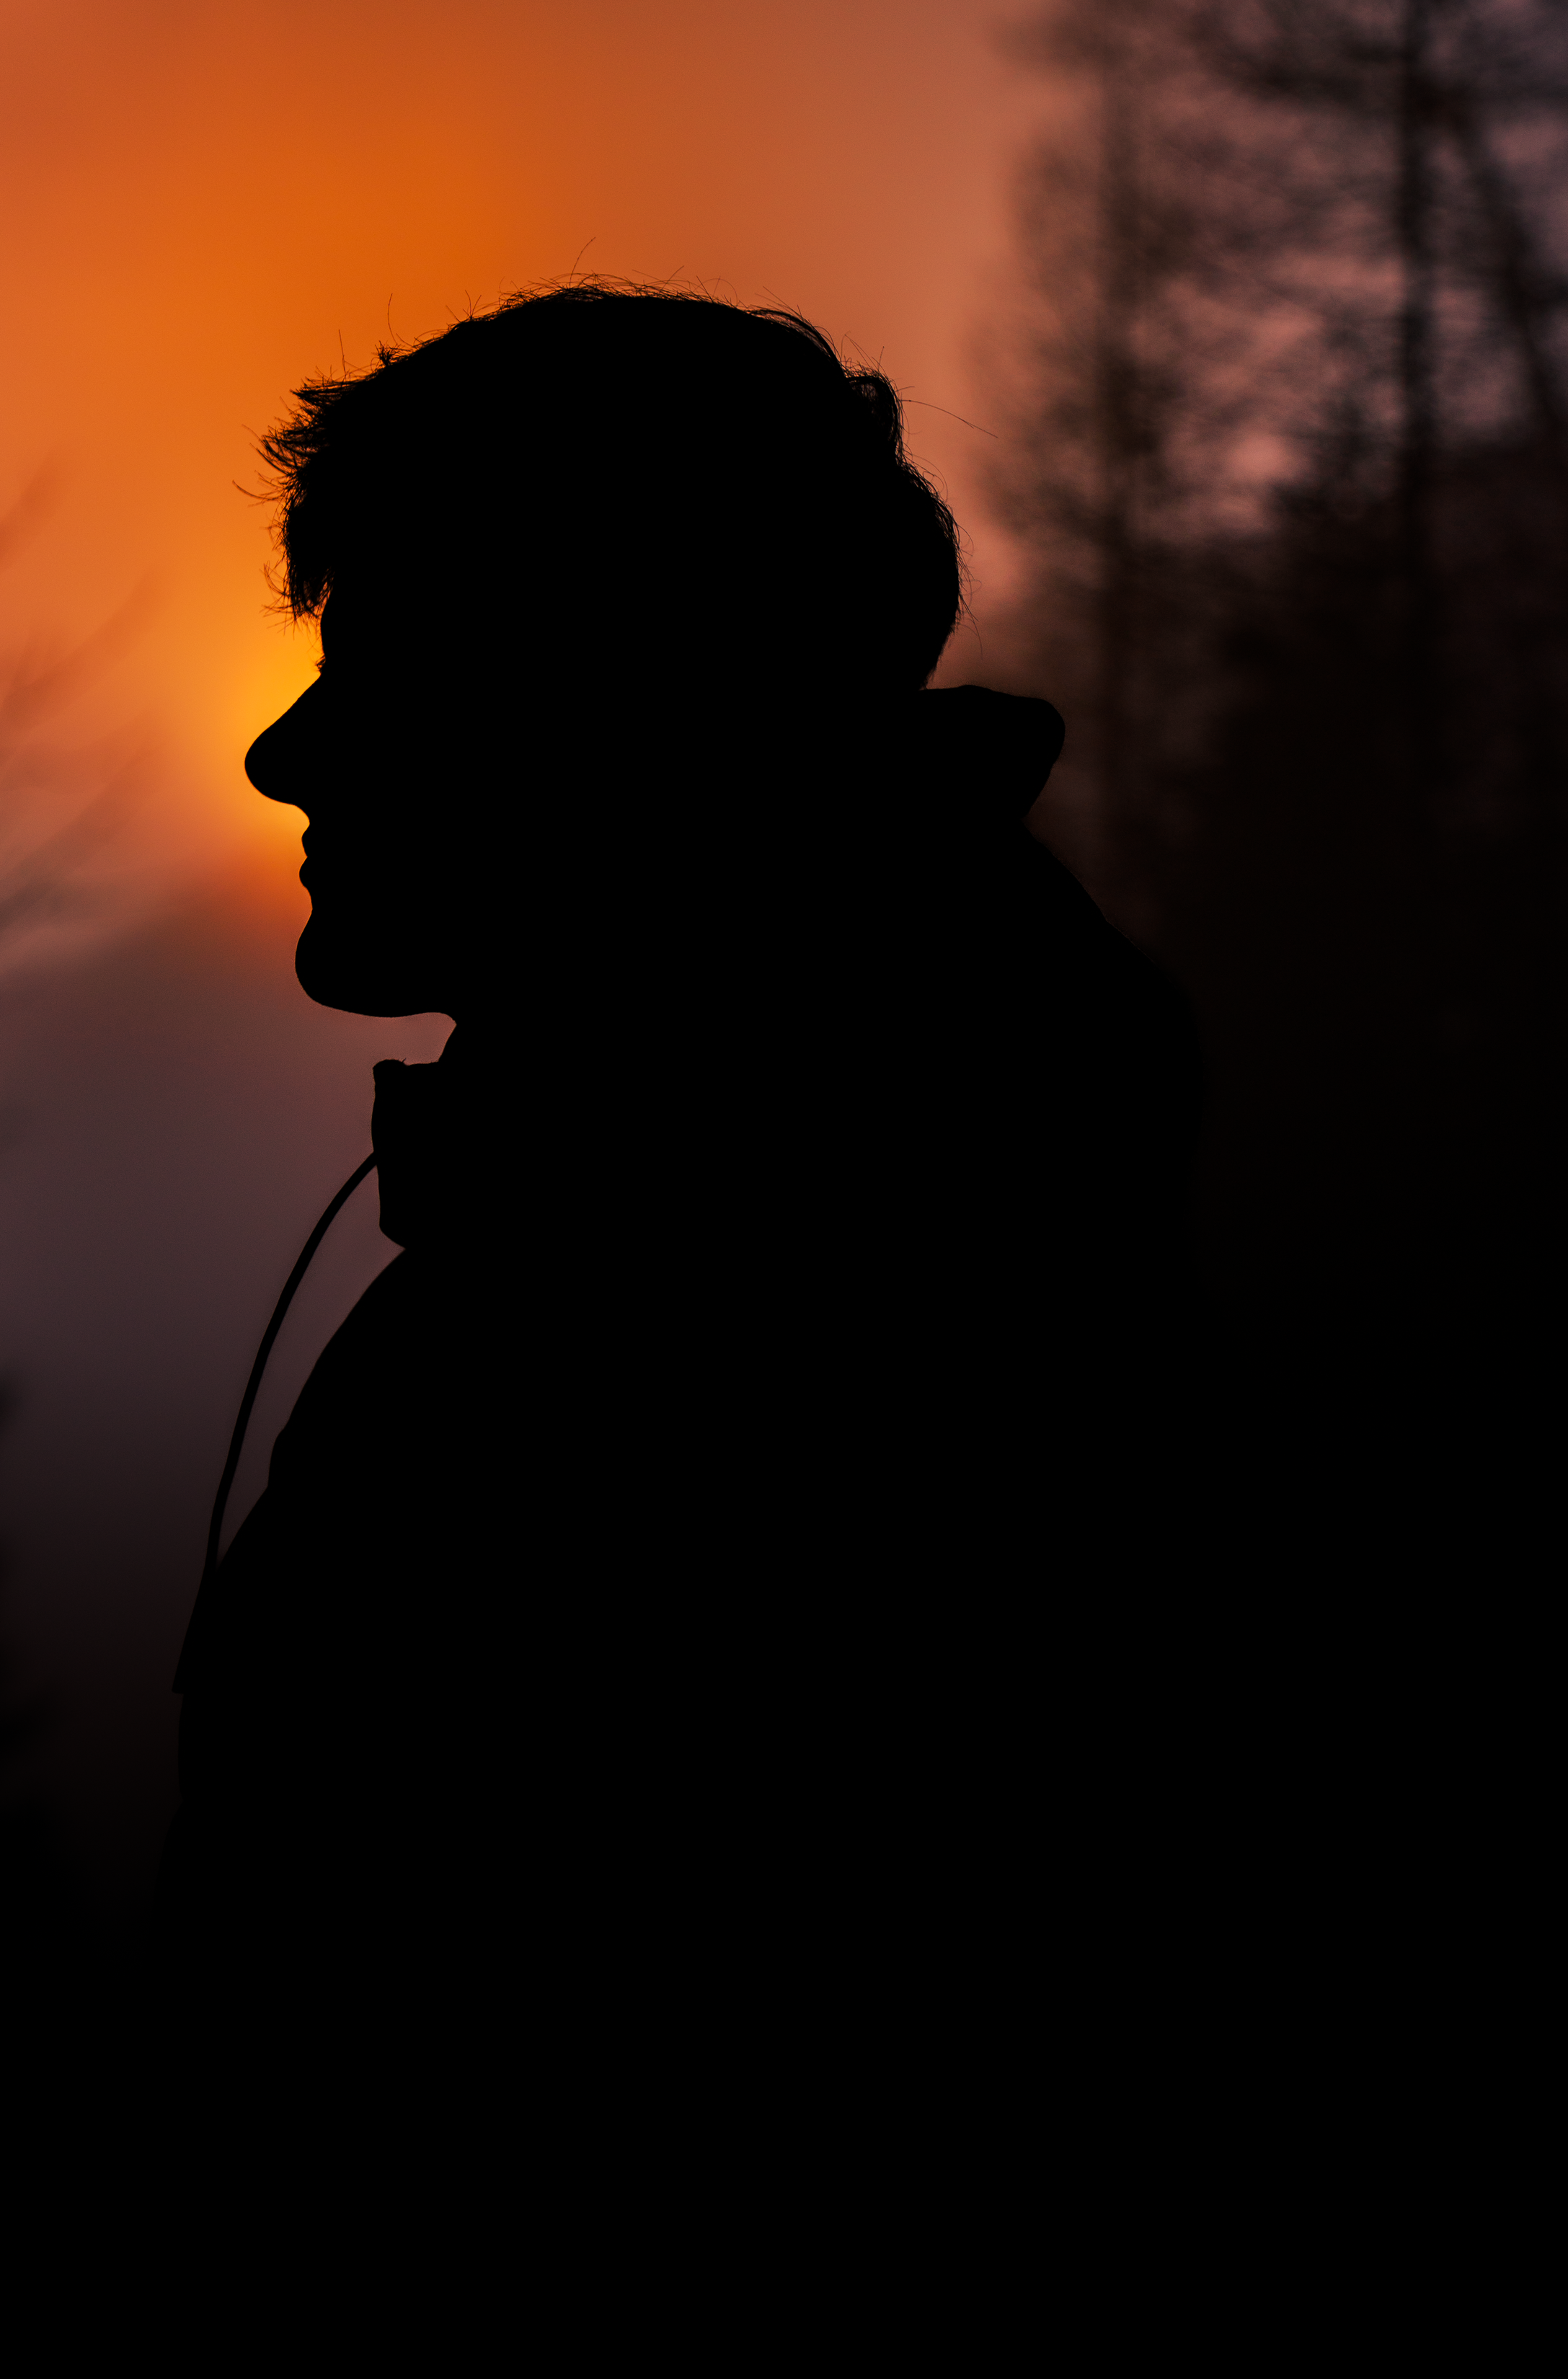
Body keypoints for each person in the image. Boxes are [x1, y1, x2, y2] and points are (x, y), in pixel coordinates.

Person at [154, 283, 1200, 2135]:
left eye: (384, 669)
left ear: (612, 709)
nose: (283, 754)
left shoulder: (757, 1315)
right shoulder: (687, 1202)